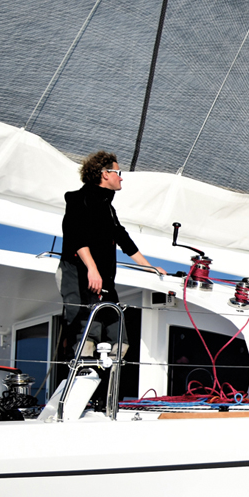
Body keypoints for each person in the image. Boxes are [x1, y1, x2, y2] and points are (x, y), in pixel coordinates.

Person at [59, 151, 165, 358]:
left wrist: (149, 268)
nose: (121, 177)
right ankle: (83, 369)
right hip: (78, 275)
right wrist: (92, 269)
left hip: (103, 279)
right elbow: (76, 236)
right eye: (118, 172)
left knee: (120, 342)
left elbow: (122, 238)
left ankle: (109, 375)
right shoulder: (78, 199)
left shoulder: (107, 208)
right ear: (105, 174)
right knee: (86, 338)